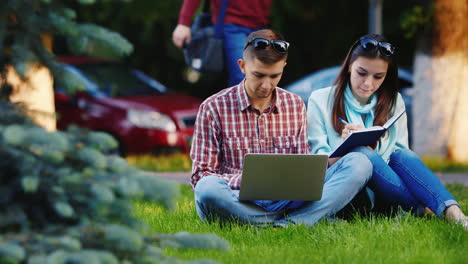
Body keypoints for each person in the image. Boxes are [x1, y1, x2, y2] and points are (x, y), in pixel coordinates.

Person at [190, 29, 373, 227]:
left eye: (274, 76)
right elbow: (201, 175)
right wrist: (248, 182)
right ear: (242, 66)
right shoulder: (213, 107)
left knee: (359, 163)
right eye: (258, 75)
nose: (266, 85)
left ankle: (277, 223)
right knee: (207, 189)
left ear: (284, 67)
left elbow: (303, 162)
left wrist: (334, 156)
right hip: (238, 199)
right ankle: (299, 221)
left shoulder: (294, 104)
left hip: (288, 199)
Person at [307, 33, 467, 228]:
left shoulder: (394, 102)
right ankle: (423, 205)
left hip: (387, 193)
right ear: (349, 65)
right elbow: (316, 164)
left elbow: (402, 162)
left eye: (378, 76)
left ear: (387, 75)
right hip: (348, 191)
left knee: (403, 155)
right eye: (362, 73)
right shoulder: (320, 99)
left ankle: (454, 214)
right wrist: (345, 148)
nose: (368, 84)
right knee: (362, 153)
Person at [172, 0, 274, 86]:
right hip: (232, 24)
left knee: (262, 79)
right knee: (244, 78)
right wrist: (183, 23)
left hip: (261, 26)